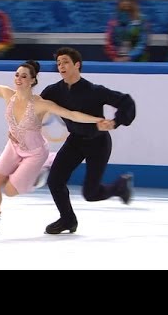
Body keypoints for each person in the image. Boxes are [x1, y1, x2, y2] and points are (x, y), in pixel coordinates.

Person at [0, 58, 105, 235]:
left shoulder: (40, 104)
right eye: (17, 75)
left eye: (24, 76)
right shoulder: (7, 94)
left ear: (33, 80)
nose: (19, 79)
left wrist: (98, 120)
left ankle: (40, 172)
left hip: (35, 153)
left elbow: (72, 114)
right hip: (13, 147)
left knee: (10, 191)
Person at [40, 47, 136, 235]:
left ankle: (119, 187)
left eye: (65, 62)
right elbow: (35, 106)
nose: (61, 66)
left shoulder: (94, 91)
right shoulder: (53, 91)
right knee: (55, 181)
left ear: (77, 65)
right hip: (74, 141)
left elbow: (126, 101)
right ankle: (68, 220)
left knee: (90, 194)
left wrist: (115, 122)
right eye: (59, 63)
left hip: (98, 143)